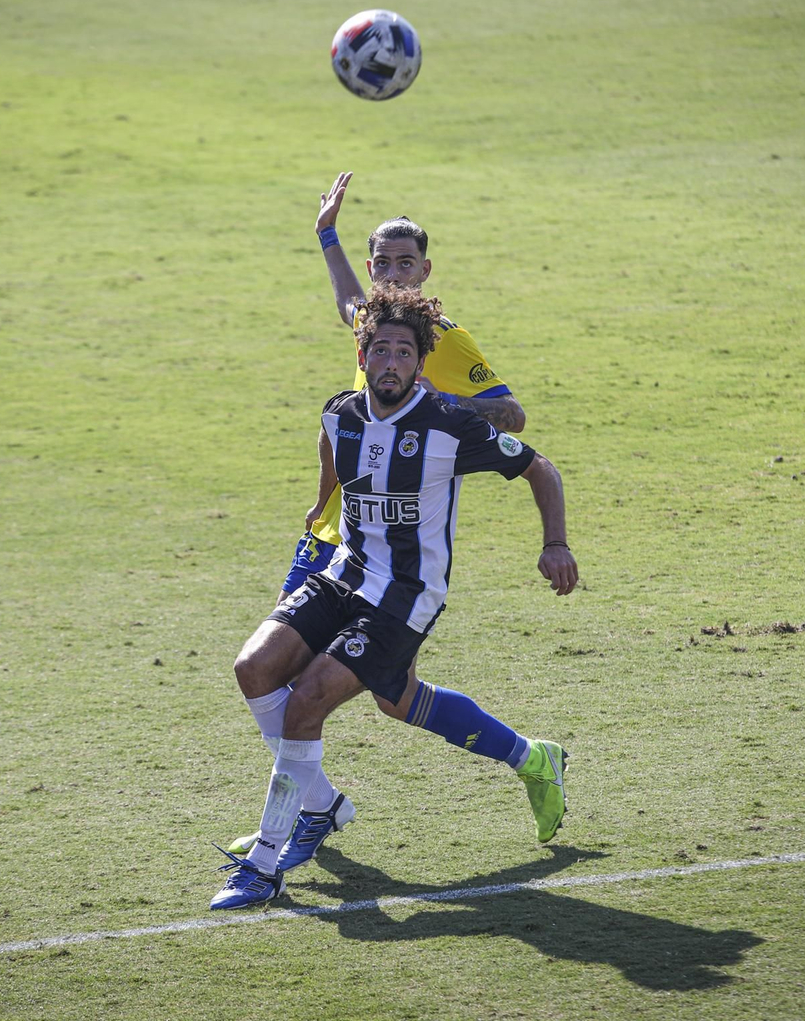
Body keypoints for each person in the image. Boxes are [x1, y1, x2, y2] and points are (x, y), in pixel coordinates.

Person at [211, 284, 578, 911]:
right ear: (364, 353)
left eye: (403, 352)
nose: (389, 363)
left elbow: (541, 468)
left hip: (405, 596)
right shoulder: (339, 413)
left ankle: (266, 863)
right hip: (345, 574)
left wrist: (556, 545)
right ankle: (328, 802)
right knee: (257, 668)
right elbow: (332, 459)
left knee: (306, 705)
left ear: (419, 360)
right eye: (378, 349)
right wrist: (321, 500)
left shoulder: (451, 425)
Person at [279, 170, 526, 603]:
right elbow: (347, 303)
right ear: (372, 266)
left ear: (424, 269)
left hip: (383, 538)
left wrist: (442, 402)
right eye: (383, 264)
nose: (393, 275)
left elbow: (512, 415)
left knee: (301, 664)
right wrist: (327, 234)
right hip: (336, 526)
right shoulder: (370, 322)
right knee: (293, 661)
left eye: (405, 264)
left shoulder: (442, 337)